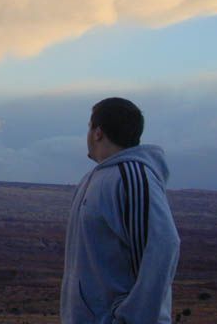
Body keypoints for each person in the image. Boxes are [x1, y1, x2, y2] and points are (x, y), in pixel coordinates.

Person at [60, 97, 180, 324]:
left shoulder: (131, 176)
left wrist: (131, 317)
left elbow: (164, 246)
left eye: (89, 127)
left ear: (98, 132)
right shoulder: (95, 179)